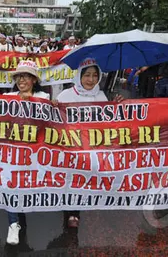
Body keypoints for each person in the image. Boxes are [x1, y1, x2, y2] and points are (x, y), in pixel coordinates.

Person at [56, 57, 123, 227]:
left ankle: (77, 208)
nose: (91, 80)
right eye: (86, 75)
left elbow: (110, 122)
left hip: (93, 147)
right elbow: (54, 121)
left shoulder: (101, 95)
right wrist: (53, 105)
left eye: (94, 75)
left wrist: (117, 106)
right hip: (71, 146)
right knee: (72, 179)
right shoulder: (65, 95)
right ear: (79, 76)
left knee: (84, 179)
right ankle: (71, 211)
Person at [4, 60, 50, 244]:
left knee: (24, 184)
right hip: (11, 150)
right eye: (18, 77)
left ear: (33, 80)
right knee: (10, 184)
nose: (21, 80)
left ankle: (21, 207)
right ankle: (13, 224)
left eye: (26, 76)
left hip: (34, 152)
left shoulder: (44, 97)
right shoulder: (8, 95)